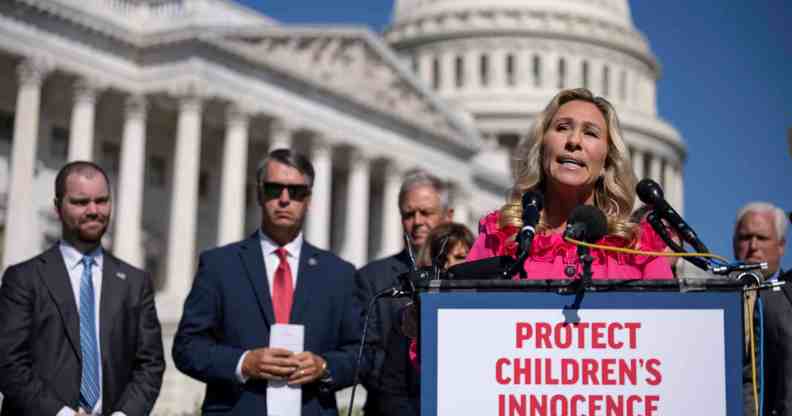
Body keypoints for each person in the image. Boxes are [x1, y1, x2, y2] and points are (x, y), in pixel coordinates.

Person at [172, 149, 360, 415]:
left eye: (296, 192)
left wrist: (324, 367)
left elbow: (362, 354)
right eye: (274, 189)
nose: (284, 199)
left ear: (308, 200)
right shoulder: (220, 265)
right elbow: (187, 348)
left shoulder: (339, 274)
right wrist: (243, 363)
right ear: (259, 194)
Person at [0, 161, 165, 416]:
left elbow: (150, 365)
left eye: (102, 201)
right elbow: (8, 363)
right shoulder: (23, 279)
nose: (93, 210)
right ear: (58, 207)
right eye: (80, 202)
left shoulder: (135, 282)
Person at [467, 88, 673, 280]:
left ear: (607, 162)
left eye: (590, 133)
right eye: (562, 128)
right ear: (541, 149)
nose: (574, 141)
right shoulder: (500, 236)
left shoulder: (638, 251)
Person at [355, 170, 453, 416]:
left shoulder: (465, 275)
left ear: (448, 216)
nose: (417, 221)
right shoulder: (372, 278)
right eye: (409, 214)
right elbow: (366, 353)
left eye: (426, 212)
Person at [735, 202, 791, 415]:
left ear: (781, 245)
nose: (753, 245)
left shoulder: (788, 297)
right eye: (745, 237)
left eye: (762, 237)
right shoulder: (713, 299)